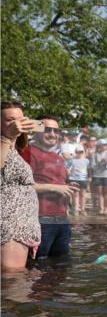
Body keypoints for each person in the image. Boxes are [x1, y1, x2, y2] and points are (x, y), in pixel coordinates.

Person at [22, 116, 75, 259]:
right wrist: (55, 188)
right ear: (36, 130)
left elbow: (57, 183)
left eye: (56, 131)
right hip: (39, 219)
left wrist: (67, 188)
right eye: (47, 130)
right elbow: (19, 186)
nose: (52, 134)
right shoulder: (27, 153)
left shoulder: (58, 158)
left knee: (61, 263)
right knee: (37, 264)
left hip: (62, 220)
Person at [1, 101, 42, 272]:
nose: (16, 124)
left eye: (20, 119)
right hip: (10, 226)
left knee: (16, 278)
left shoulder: (15, 148)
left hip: (21, 226)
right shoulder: (4, 143)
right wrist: (6, 137)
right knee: (12, 278)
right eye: (10, 119)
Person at [66, 145, 90, 215]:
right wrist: (68, 173)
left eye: (81, 152)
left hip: (83, 179)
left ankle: (82, 209)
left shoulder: (86, 161)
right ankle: (75, 209)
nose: (79, 153)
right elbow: (67, 168)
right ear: (76, 152)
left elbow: (89, 169)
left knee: (83, 195)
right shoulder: (72, 160)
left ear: (83, 152)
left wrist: (89, 177)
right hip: (73, 179)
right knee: (75, 195)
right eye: (78, 152)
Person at [90, 139, 107, 214]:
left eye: (106, 145)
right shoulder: (94, 154)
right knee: (99, 193)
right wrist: (100, 163)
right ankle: (101, 208)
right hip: (97, 175)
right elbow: (92, 166)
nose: (105, 146)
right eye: (103, 145)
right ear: (99, 146)